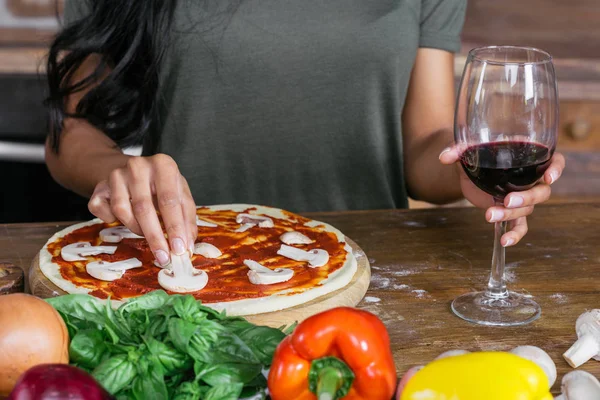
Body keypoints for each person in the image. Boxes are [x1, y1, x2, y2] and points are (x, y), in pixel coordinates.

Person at [45, 1, 565, 267]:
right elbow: (70, 133)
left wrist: (467, 176)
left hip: (369, 270)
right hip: (185, 265)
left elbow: (423, 151)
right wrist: (119, 173)